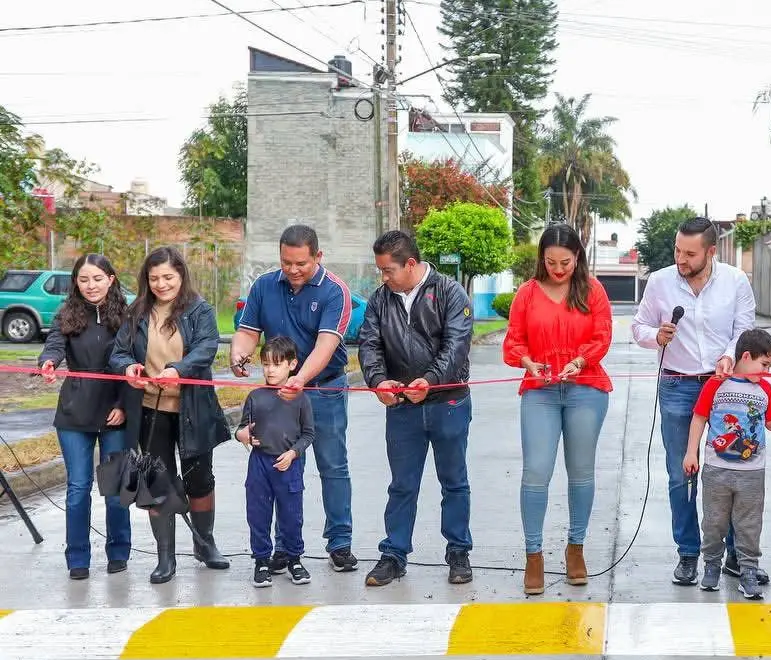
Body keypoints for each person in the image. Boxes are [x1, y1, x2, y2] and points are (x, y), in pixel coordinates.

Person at [633, 216, 759, 587]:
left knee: (732, 469)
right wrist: (656, 336)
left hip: (726, 388)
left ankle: (736, 555)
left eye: (690, 253)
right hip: (676, 386)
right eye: (677, 250)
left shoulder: (736, 281)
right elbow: (639, 327)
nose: (681, 259)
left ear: (711, 251)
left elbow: (745, 331)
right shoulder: (659, 281)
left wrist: (729, 355)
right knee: (680, 473)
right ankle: (689, 554)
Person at [230, 225, 356, 574]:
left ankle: (340, 543)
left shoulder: (335, 291)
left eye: (301, 262)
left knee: (332, 465)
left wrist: (301, 379)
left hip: (324, 388)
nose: (293, 269)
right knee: (278, 467)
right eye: (286, 262)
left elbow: (326, 344)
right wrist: (239, 355)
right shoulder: (264, 286)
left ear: (318, 256)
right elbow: (247, 331)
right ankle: (284, 548)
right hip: (280, 396)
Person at [358, 230, 475, 587]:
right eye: (380, 271)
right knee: (402, 485)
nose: (384, 278)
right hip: (402, 407)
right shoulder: (381, 300)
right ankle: (394, 554)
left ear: (410, 264)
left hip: (448, 402)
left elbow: (456, 346)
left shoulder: (450, 293)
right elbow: (369, 343)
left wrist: (430, 380)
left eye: (388, 270)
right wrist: (378, 381)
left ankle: (458, 551)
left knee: (454, 482)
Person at [110, 246, 232, 584]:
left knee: (199, 480)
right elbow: (118, 353)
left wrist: (179, 369)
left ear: (181, 275)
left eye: (168, 277)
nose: (161, 284)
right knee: (156, 483)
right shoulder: (136, 311)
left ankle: (204, 545)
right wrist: (129, 366)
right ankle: (165, 557)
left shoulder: (200, 309)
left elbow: (207, 347)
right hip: (150, 410)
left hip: (193, 409)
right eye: (154, 278)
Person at [502, 224, 613, 595]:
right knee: (536, 472)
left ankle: (575, 548)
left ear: (577, 257)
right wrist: (528, 362)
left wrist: (580, 362)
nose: (558, 269)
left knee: (580, 472)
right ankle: (534, 555)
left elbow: (602, 336)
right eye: (550, 262)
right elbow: (513, 342)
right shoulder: (527, 294)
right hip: (540, 391)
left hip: (586, 389)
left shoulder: (592, 290)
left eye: (565, 261)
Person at [682, 329, 771, 599]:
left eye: (770, 366)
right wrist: (691, 453)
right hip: (716, 470)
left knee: (749, 524)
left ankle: (748, 571)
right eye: (764, 364)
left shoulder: (764, 389)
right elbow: (699, 418)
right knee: (714, 521)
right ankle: (711, 565)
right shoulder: (715, 384)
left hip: (751, 473)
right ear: (746, 356)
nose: (767, 371)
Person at [39, 254, 132, 579]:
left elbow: (133, 361)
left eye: (97, 278)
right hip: (74, 412)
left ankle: (119, 551)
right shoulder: (66, 314)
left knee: (115, 486)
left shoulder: (127, 315)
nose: (90, 286)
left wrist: (123, 405)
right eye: (83, 280)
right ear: (76, 283)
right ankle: (77, 558)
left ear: (111, 278)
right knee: (78, 487)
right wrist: (48, 362)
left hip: (115, 411)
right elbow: (53, 345)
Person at [236, 336, 315, 589]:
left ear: (292, 365)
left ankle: (295, 559)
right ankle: (261, 561)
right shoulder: (255, 397)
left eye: (277, 364)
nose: (270, 370)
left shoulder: (300, 398)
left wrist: (292, 454)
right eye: (266, 364)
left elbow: (309, 434)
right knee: (258, 514)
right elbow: (240, 430)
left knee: (291, 515)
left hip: (288, 465)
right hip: (259, 465)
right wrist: (244, 436)